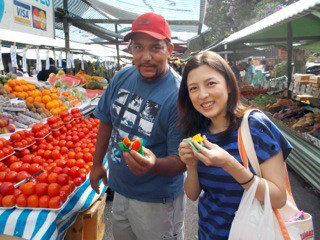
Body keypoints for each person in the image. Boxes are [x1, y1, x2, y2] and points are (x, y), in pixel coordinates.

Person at [90, 12, 186, 240]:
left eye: (155, 47)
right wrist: (97, 164)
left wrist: (153, 165)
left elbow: (182, 160)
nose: (146, 57)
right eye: (138, 47)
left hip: (157, 201)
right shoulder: (122, 76)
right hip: (120, 189)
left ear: (169, 50)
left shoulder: (179, 96)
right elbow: (106, 121)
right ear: (131, 49)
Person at [177, 51, 292, 239]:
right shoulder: (198, 133)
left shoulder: (255, 127)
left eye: (211, 83)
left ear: (229, 85)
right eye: (193, 88)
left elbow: (278, 198)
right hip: (208, 233)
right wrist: (190, 166)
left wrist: (228, 164)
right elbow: (193, 194)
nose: (203, 95)